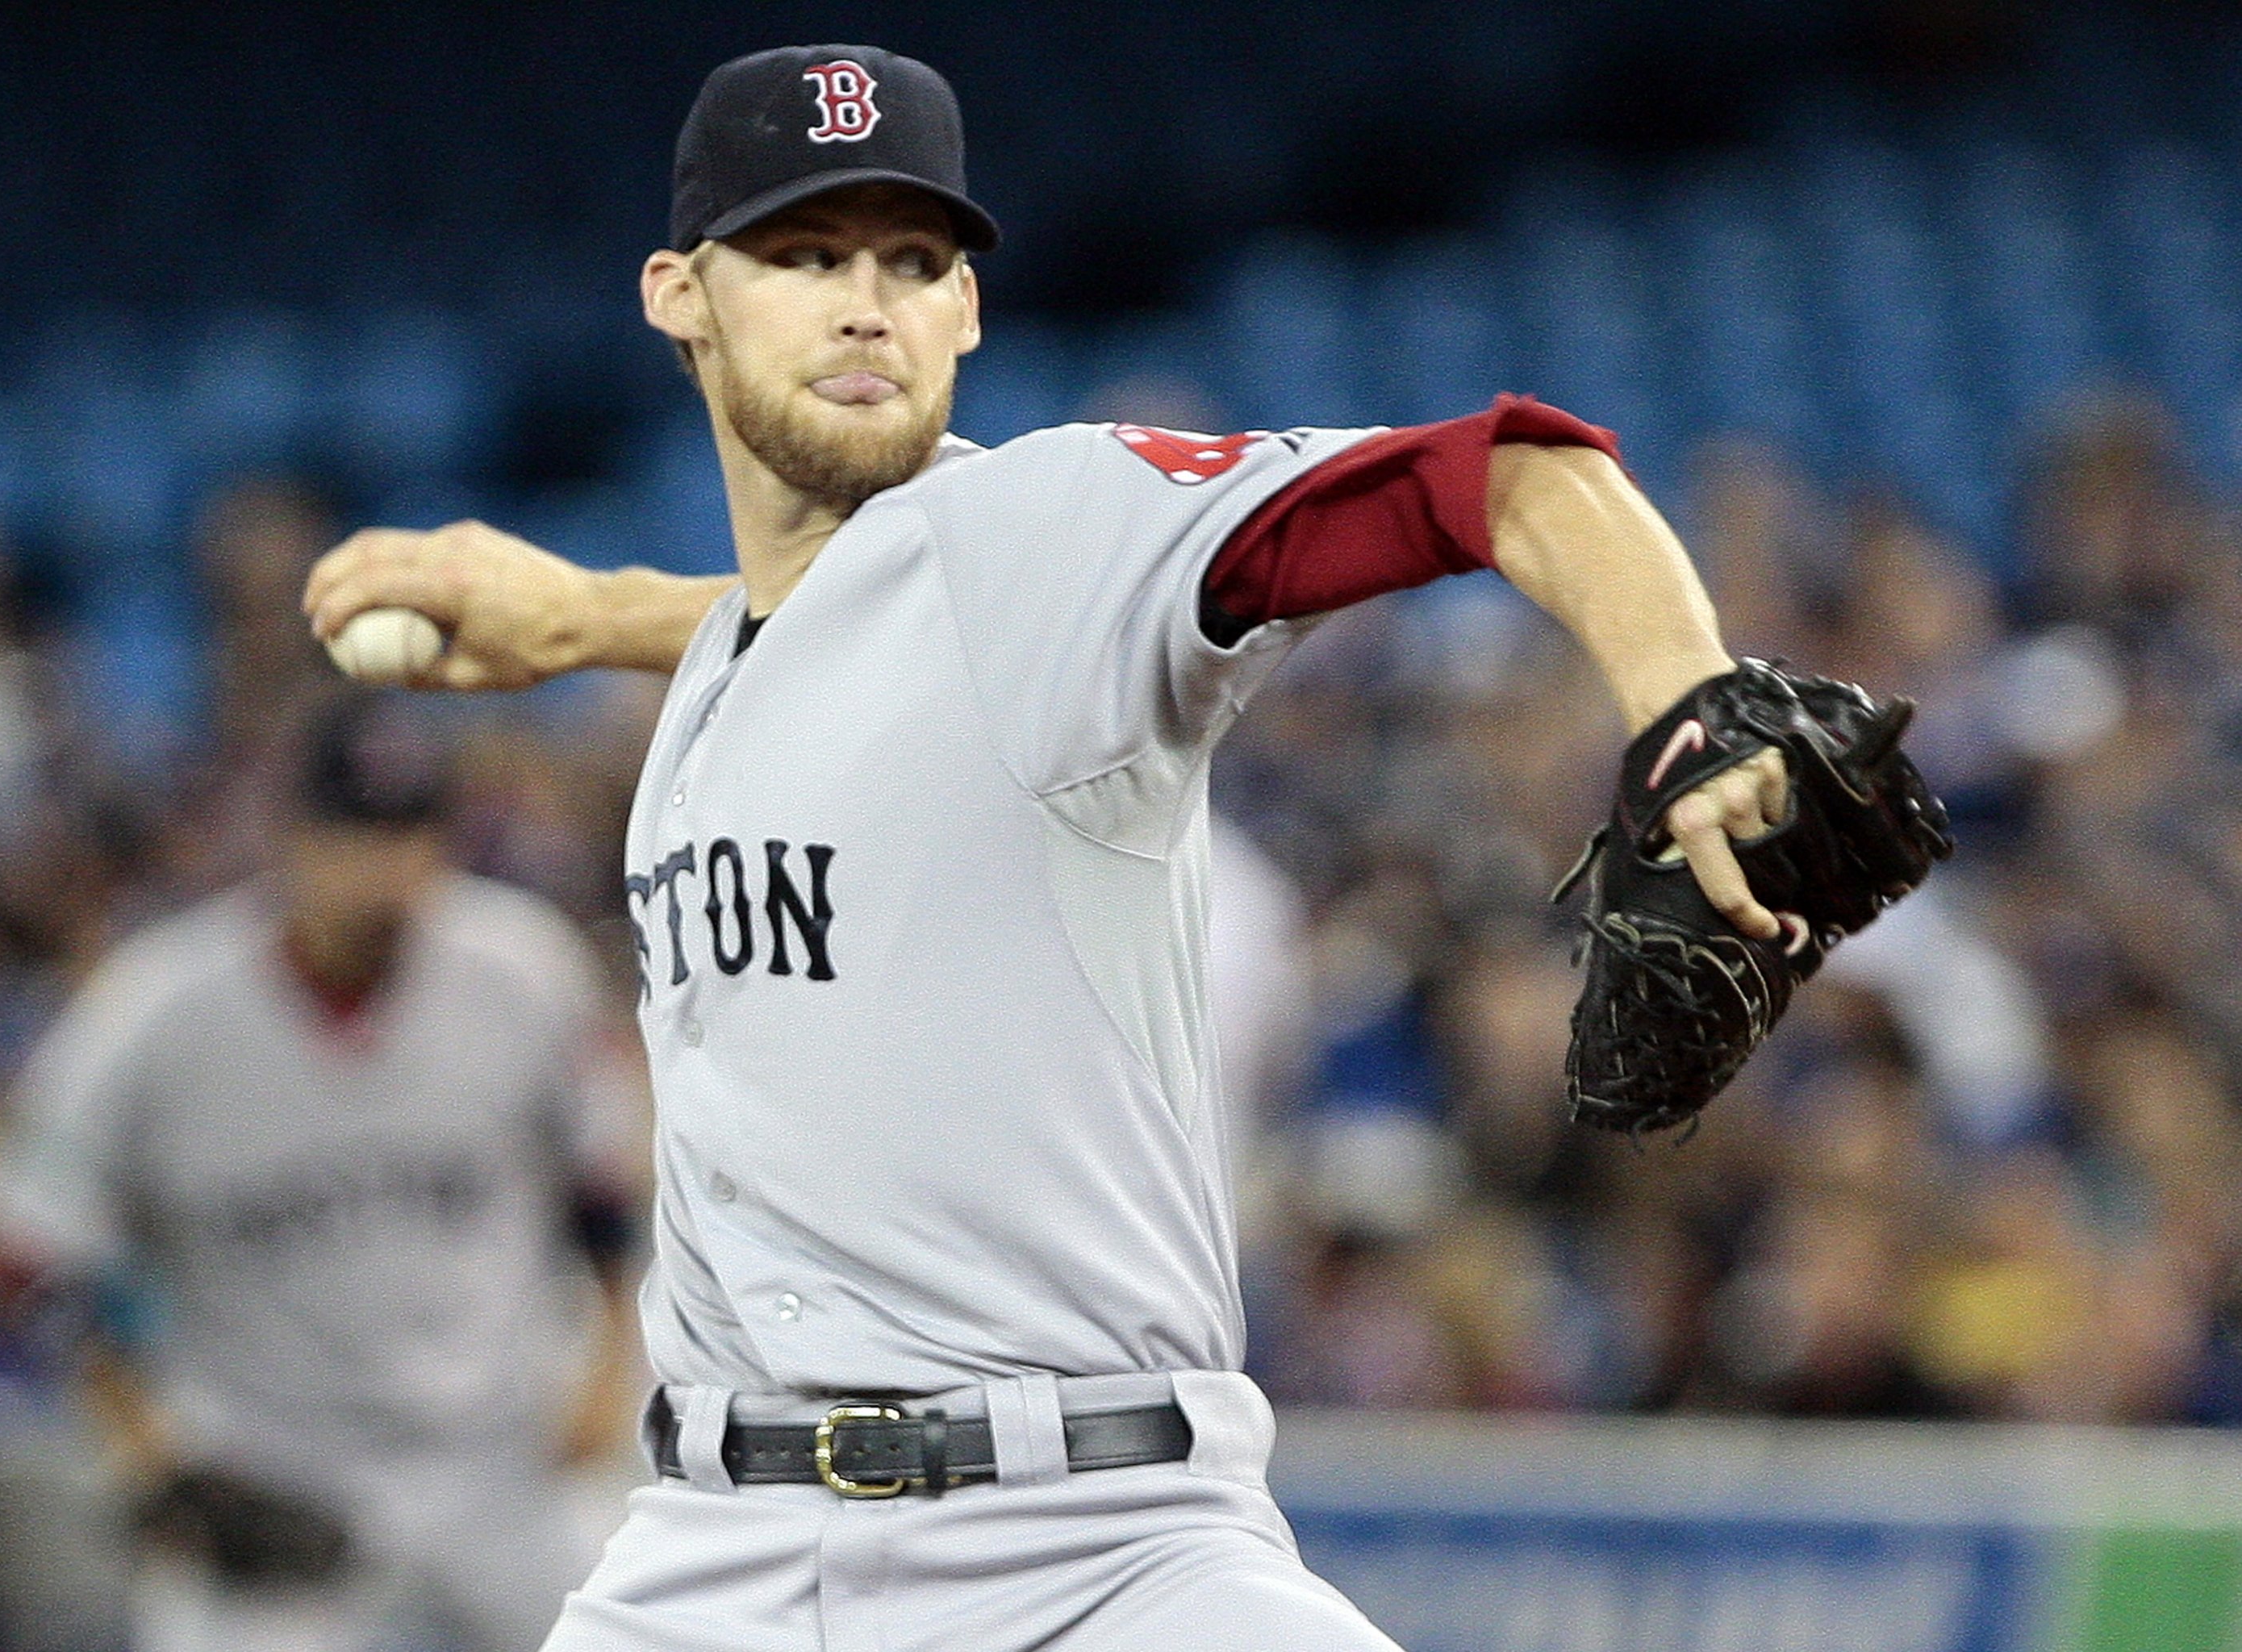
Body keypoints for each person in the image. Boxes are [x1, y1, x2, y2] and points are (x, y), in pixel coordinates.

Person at [303, 44, 1794, 1650]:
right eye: (802, 256)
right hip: (708, 1558)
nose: (865, 303)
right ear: (680, 295)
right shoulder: (748, 656)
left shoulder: (1061, 531)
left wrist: (1682, 692)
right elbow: (828, 638)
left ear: (967, 311)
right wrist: (591, 615)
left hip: (1093, 1550)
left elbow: (1507, 477)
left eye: (911, 260)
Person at [0, 691, 641, 1652]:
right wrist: (145, 1450)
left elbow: (601, 1188)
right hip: (274, 1481)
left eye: (411, 831)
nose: (387, 868)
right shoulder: (158, 1008)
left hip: (499, 1463)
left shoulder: (521, 965)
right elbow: (30, 1236)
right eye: (354, 833)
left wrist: (607, 1365)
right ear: (288, 835)